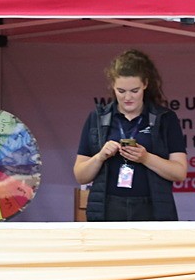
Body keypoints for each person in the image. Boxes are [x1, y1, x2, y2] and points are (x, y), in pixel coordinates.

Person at [74, 49, 187, 221]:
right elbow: (80, 175)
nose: (128, 97)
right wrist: (100, 157)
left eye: (134, 91)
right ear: (112, 85)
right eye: (121, 91)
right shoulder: (97, 118)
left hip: (152, 207)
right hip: (108, 208)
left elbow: (179, 172)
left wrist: (146, 158)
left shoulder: (165, 118)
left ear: (145, 84)